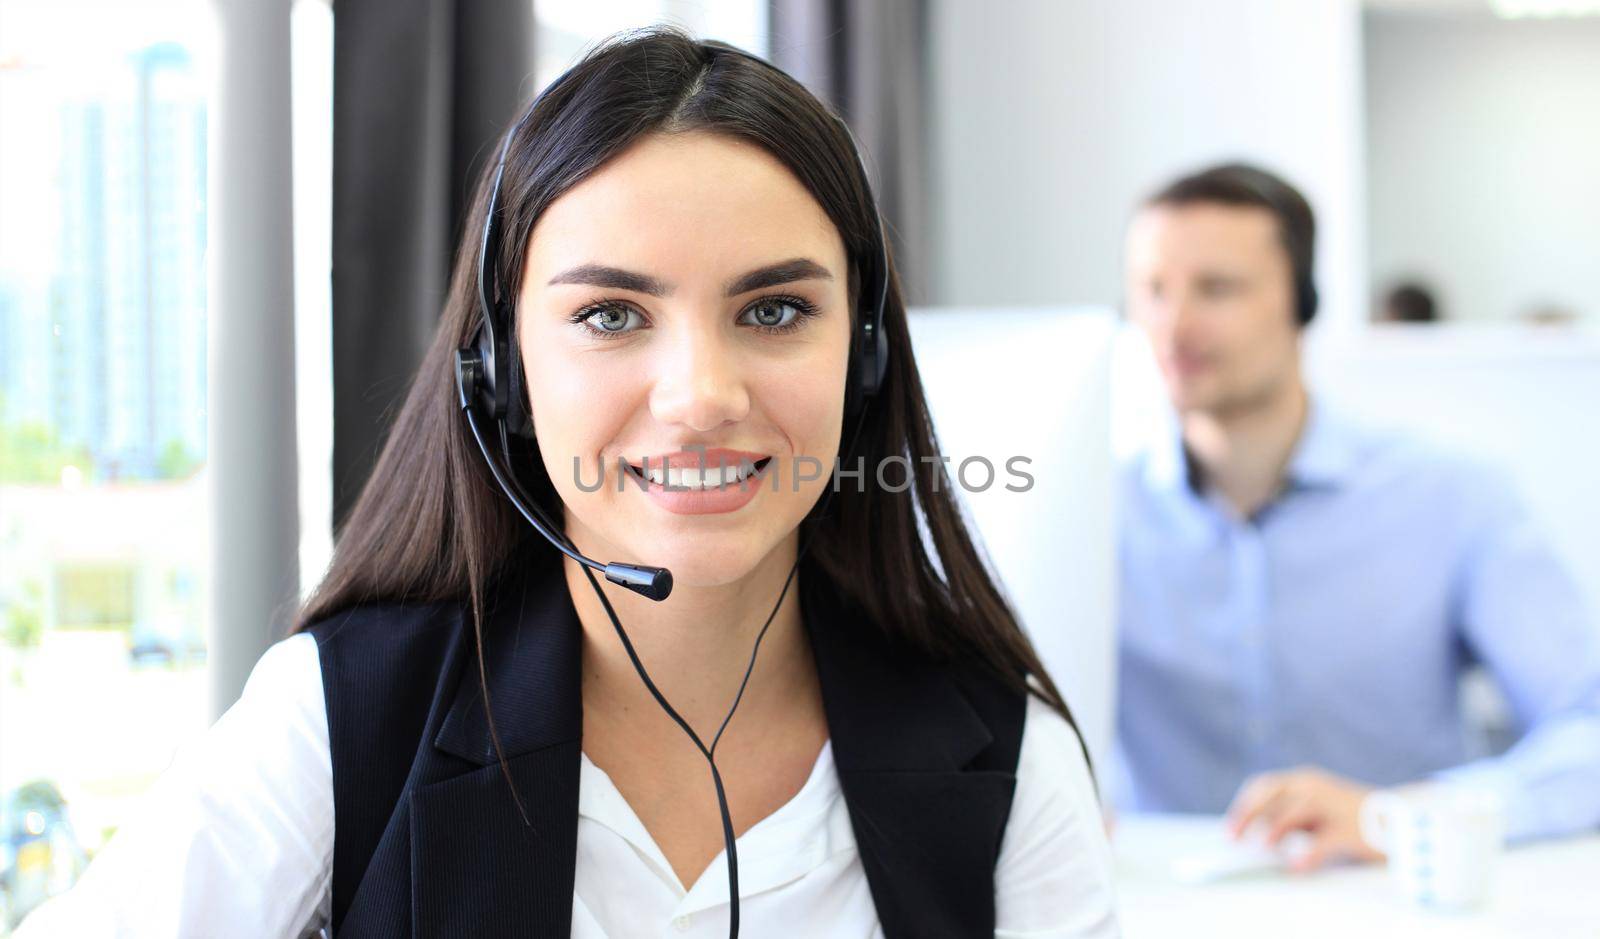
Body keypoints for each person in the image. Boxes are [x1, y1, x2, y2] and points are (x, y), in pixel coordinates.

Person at [16, 28, 1117, 938]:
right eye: (610, 316)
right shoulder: (344, 719)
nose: (699, 394)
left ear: (864, 353)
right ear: (503, 373)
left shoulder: (1004, 760)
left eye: (773, 310)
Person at [1114, 161, 1600, 872]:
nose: (1173, 325)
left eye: (1216, 288)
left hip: (1388, 900)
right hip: (1159, 909)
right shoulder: (1093, 519)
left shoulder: (1451, 496)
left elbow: (1587, 729)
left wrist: (1398, 815)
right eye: (1152, 290)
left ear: (1302, 302)